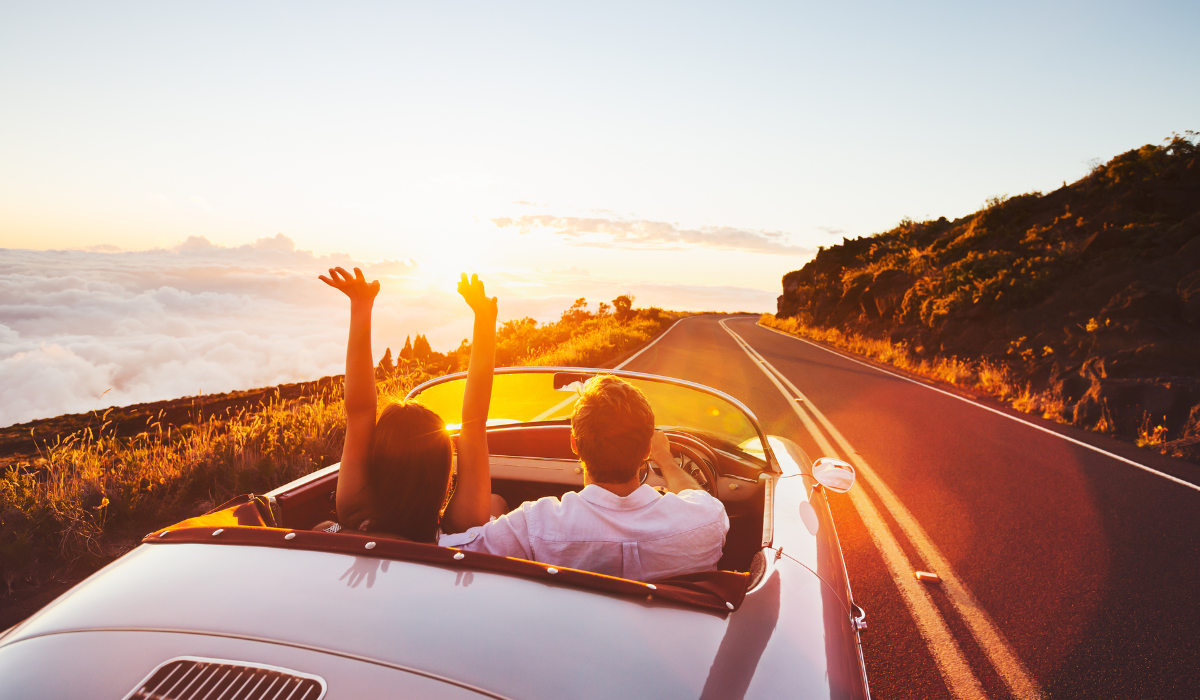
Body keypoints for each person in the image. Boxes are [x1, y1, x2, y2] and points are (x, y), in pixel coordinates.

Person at [440, 374, 729, 581]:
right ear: (645, 450)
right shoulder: (707, 520)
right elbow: (698, 498)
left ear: (574, 445)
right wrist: (665, 459)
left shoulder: (535, 526)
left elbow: (448, 551)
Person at [318, 266, 502, 542]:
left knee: (323, 526)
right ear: (443, 476)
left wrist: (361, 306)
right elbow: (474, 424)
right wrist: (485, 320)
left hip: (347, 531)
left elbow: (360, 413)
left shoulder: (353, 514)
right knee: (496, 505)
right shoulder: (460, 529)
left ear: (376, 465)